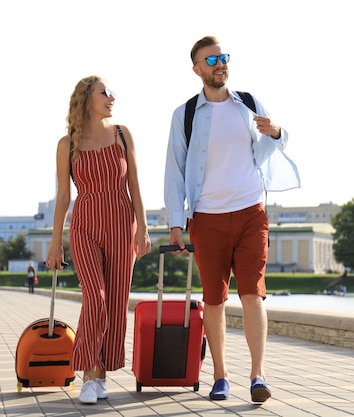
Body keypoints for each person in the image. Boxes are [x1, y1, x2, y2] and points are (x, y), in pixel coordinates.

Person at [164, 36, 300, 403]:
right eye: (211, 60)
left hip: (250, 212)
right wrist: (176, 223)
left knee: (253, 293)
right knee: (214, 299)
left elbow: (274, 140)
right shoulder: (186, 114)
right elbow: (174, 172)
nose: (219, 64)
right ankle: (220, 377)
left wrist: (276, 132)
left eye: (223, 57)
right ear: (197, 69)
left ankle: (258, 375)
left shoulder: (248, 103)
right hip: (207, 217)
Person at [45, 75, 151, 404]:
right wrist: (55, 240)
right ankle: (89, 374)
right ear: (86, 98)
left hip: (122, 225)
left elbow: (134, 185)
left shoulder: (122, 135)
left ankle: (101, 373)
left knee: (116, 303)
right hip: (85, 227)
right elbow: (63, 196)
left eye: (112, 93)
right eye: (104, 92)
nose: (111, 97)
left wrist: (143, 228)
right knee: (97, 298)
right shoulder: (68, 144)